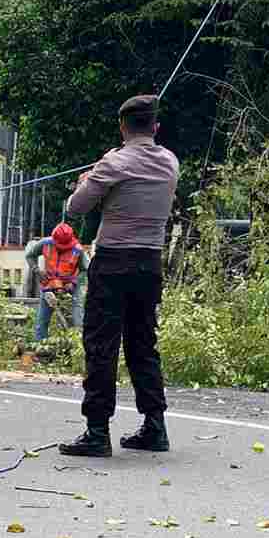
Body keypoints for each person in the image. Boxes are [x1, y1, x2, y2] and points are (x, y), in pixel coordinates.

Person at [59, 94, 180, 458]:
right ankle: (154, 427)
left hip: (113, 262)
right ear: (156, 127)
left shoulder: (113, 162)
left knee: (101, 345)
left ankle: (97, 431)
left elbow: (75, 207)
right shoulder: (170, 162)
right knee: (143, 343)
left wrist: (87, 180)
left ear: (122, 127)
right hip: (150, 263)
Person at [25, 222, 86, 342]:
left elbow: (85, 270)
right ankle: (40, 348)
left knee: (76, 319)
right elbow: (30, 256)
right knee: (42, 320)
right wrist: (37, 270)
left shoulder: (78, 250)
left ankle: (75, 348)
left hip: (71, 288)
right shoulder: (45, 243)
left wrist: (74, 282)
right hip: (49, 285)